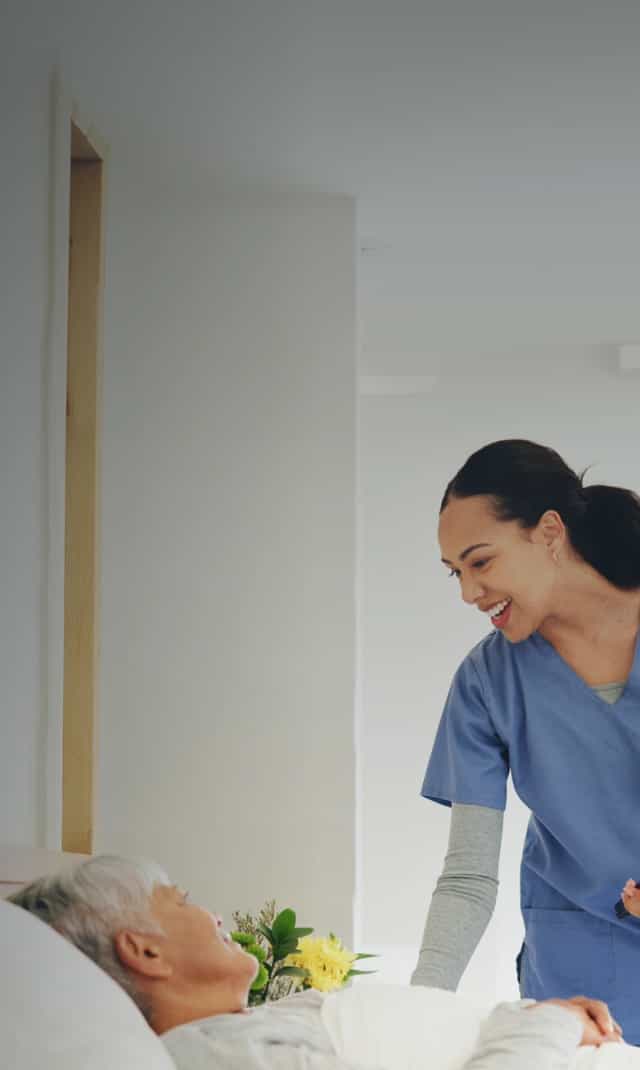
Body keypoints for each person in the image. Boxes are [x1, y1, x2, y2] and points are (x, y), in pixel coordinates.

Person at [412, 439, 640, 1043]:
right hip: (578, 964)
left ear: (548, 531)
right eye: (455, 572)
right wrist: (414, 1012)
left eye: (480, 562)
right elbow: (468, 876)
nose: (468, 592)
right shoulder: (488, 682)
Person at [9, 854, 626, 1070]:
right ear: (144, 950)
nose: (215, 916)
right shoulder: (214, 1054)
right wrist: (551, 1021)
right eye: (185, 902)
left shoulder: (236, 1036)